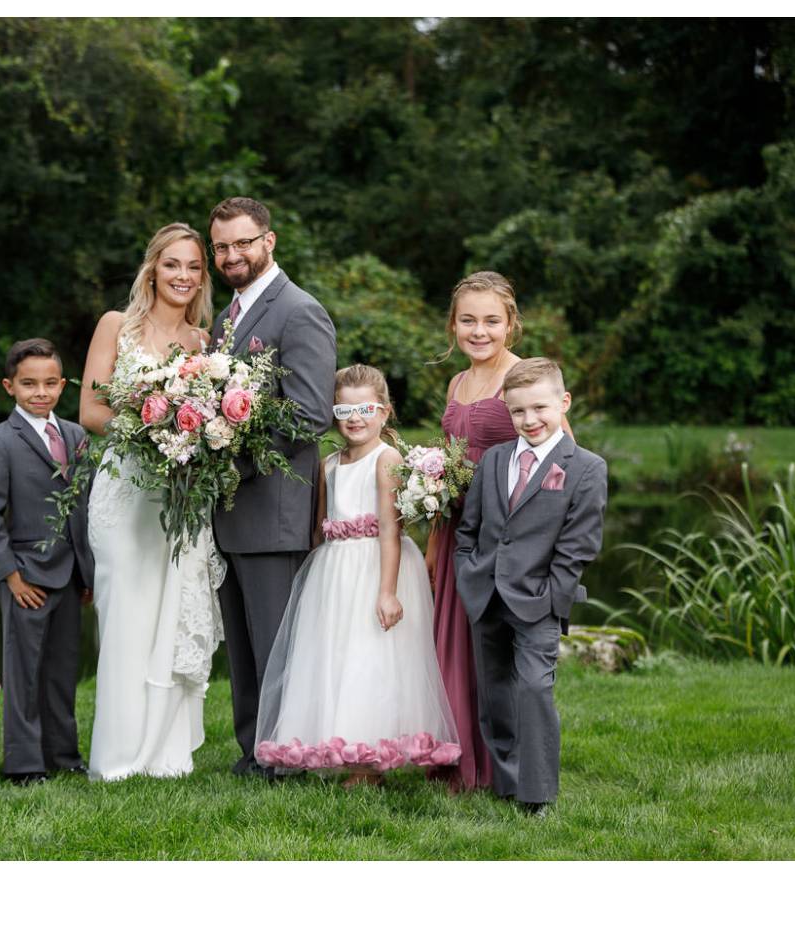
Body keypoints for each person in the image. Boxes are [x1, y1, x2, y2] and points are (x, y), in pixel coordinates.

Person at [254, 366, 461, 788]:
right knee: (335, 658)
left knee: (372, 659)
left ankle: (369, 763)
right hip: (335, 571)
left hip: (375, 568)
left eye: (365, 409)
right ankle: (341, 745)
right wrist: (315, 578)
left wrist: (387, 592)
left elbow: (390, 529)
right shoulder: (329, 464)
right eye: (344, 409)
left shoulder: (387, 460)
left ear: (384, 412)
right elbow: (320, 525)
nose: (354, 418)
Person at [79, 221, 225, 781]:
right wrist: (152, 424)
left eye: (193, 266)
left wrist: (189, 437)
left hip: (179, 498)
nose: (183, 276)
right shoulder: (117, 326)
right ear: (153, 269)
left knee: (170, 616)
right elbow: (91, 413)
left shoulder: (203, 343)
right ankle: (118, 758)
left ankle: (165, 754)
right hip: (125, 493)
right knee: (126, 617)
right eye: (173, 265)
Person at [208, 196, 336, 778]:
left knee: (278, 641)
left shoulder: (299, 311)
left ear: (269, 241)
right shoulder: (226, 317)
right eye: (222, 247)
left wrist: (234, 461)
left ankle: (287, 756)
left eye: (242, 243)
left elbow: (309, 413)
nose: (232, 255)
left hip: (275, 505)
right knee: (243, 641)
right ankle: (253, 749)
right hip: (232, 510)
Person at [455, 358, 607, 815]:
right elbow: (471, 528)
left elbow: (579, 546)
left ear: (563, 403)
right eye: (518, 412)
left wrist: (553, 599)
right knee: (495, 691)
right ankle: (506, 779)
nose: (530, 420)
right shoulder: (495, 460)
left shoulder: (584, 467)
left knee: (535, 690)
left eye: (540, 408)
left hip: (539, 599)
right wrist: (468, 572)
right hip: (486, 593)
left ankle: (536, 794)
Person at [423, 271, 529, 791]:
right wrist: (435, 534)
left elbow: (563, 458)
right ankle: (453, 758)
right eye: (468, 320)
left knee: (494, 651)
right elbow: (451, 460)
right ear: (454, 325)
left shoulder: (524, 379)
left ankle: (496, 765)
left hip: (502, 532)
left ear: (511, 324)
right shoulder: (457, 382)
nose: (479, 330)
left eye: (491, 320)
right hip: (456, 528)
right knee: (453, 643)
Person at [0, 339, 95, 786]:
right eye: (29, 384)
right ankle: (23, 762)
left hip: (70, 574)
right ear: (10, 387)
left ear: (62, 385)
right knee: (24, 673)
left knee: (63, 671)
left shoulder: (76, 437)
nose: (39, 392)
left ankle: (63, 754)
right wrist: (10, 575)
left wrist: (88, 574)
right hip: (26, 576)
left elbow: (83, 509)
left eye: (48, 383)